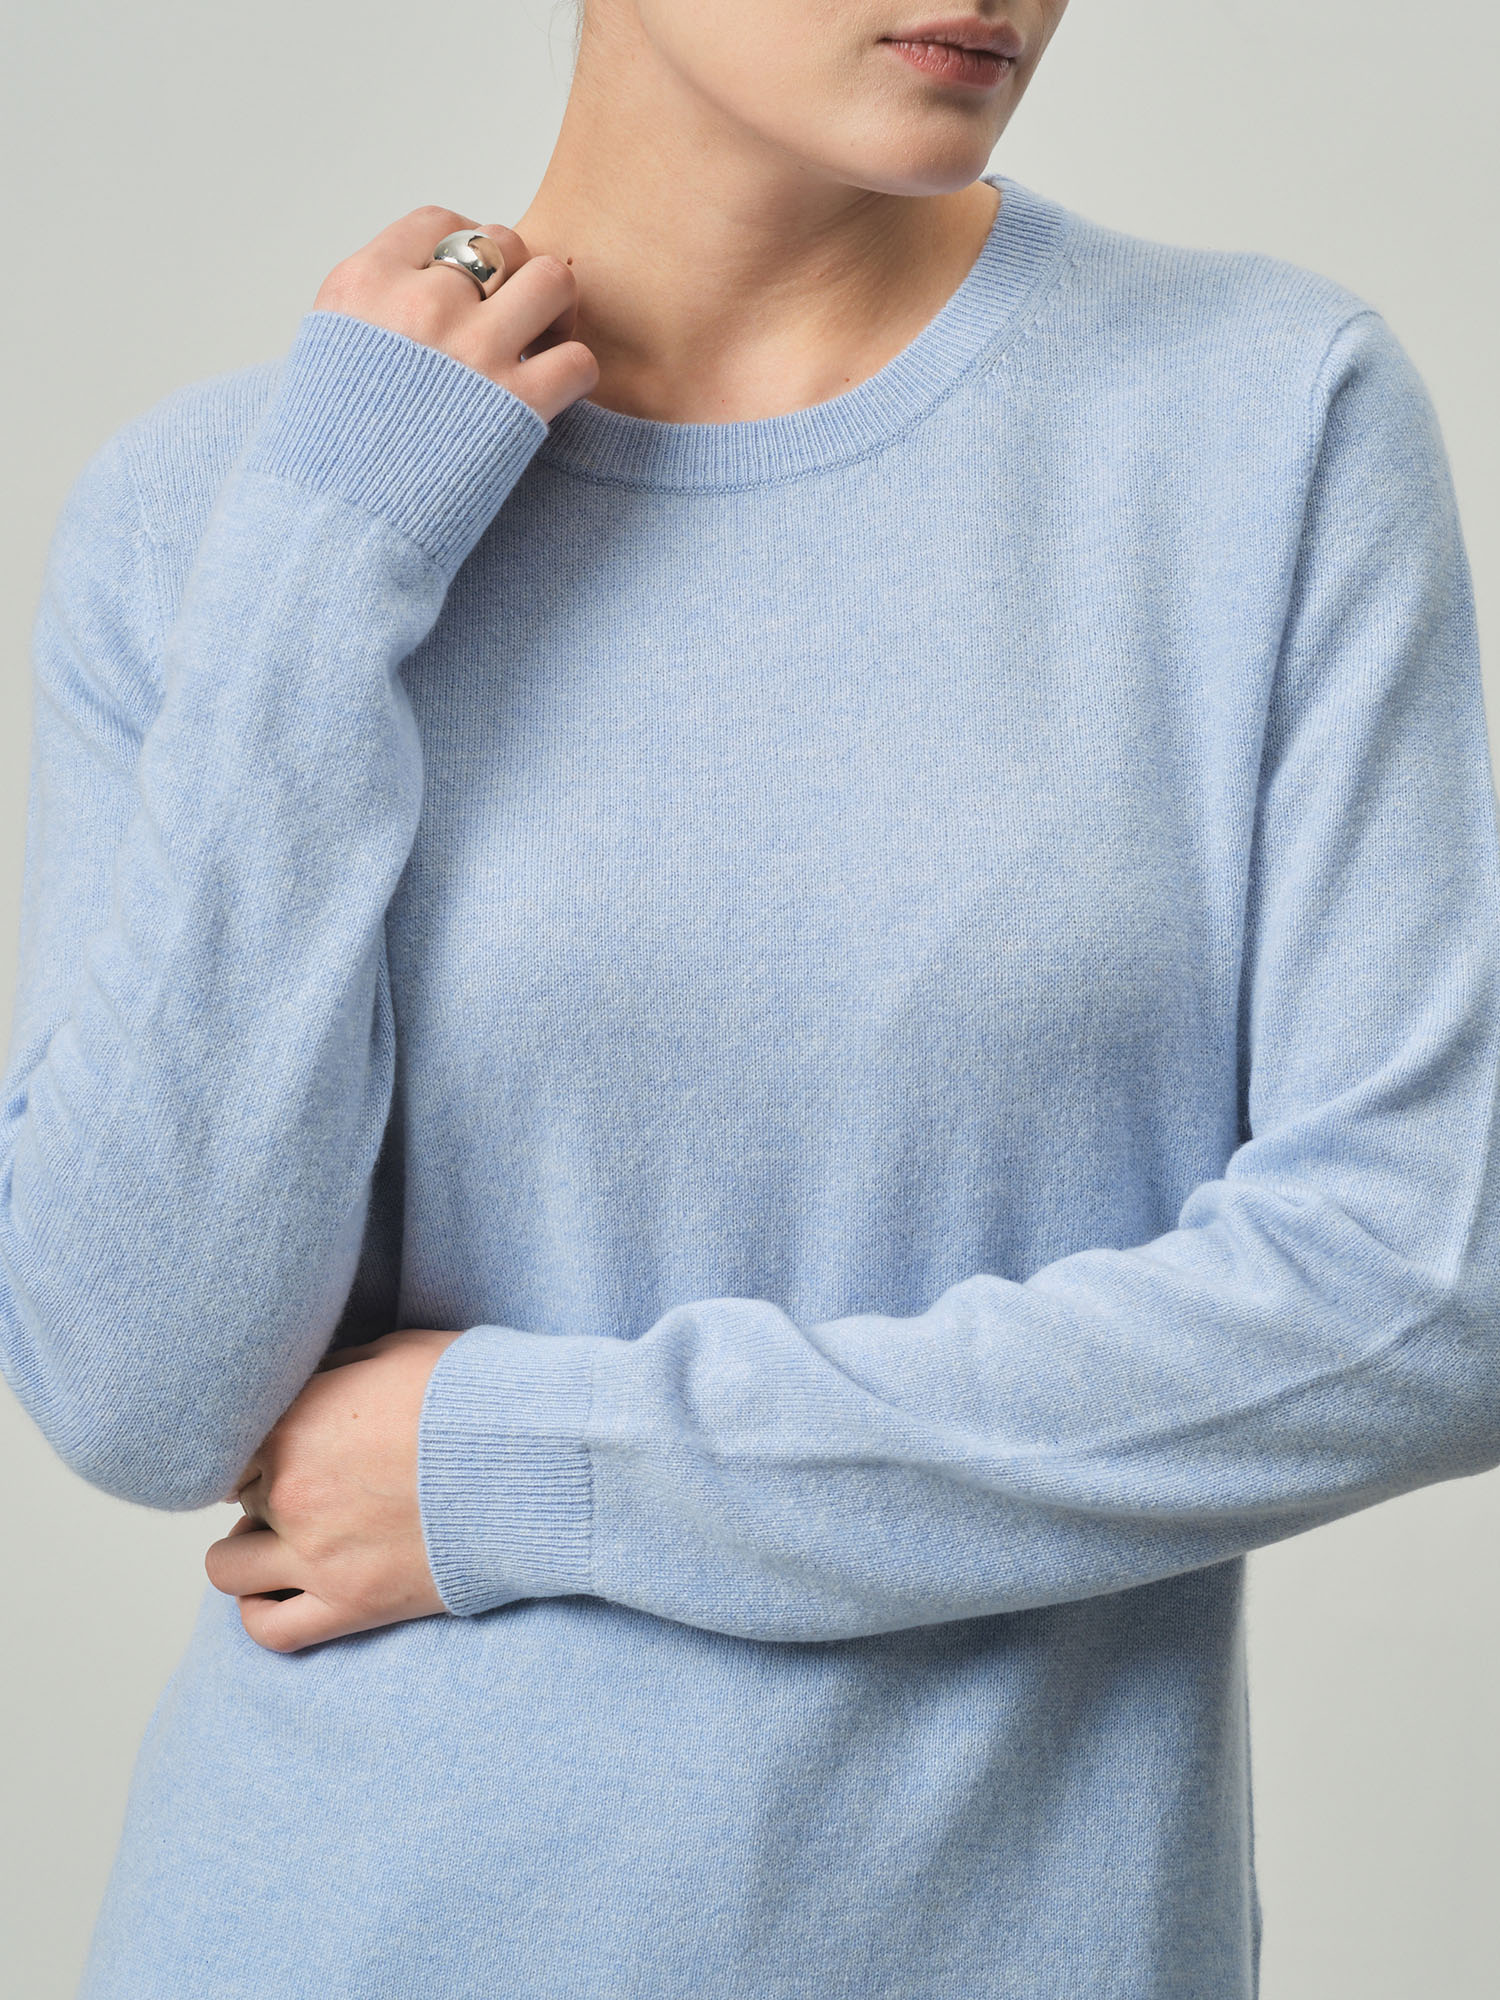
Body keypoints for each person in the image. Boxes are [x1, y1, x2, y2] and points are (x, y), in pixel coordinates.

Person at [4, 0, 1499, 1992]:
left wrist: (554, 1465)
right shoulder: (235, 505)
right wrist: (328, 557)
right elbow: (136, 1385)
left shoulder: (1255, 421)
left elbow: (1430, 1285)